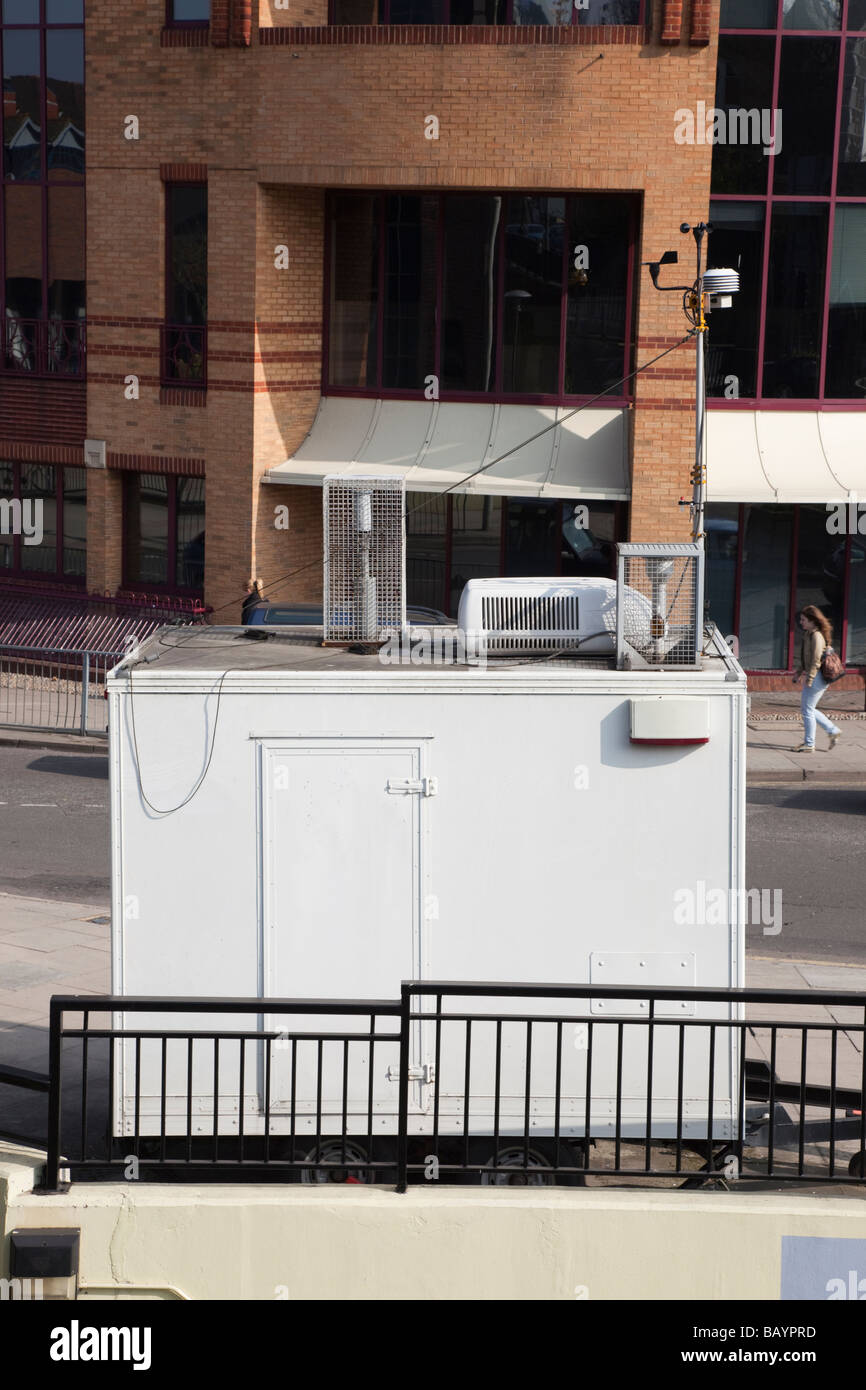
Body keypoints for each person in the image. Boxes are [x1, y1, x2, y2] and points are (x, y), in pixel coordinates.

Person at [792, 606, 841, 753]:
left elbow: (815, 660)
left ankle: (809, 743)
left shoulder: (816, 636)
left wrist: (810, 678)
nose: (801, 623)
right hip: (814, 674)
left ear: (813, 621)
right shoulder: (808, 634)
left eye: (803, 620)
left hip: (818, 676)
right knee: (809, 709)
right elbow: (804, 658)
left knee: (807, 710)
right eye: (801, 620)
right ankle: (832, 730)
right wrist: (799, 672)